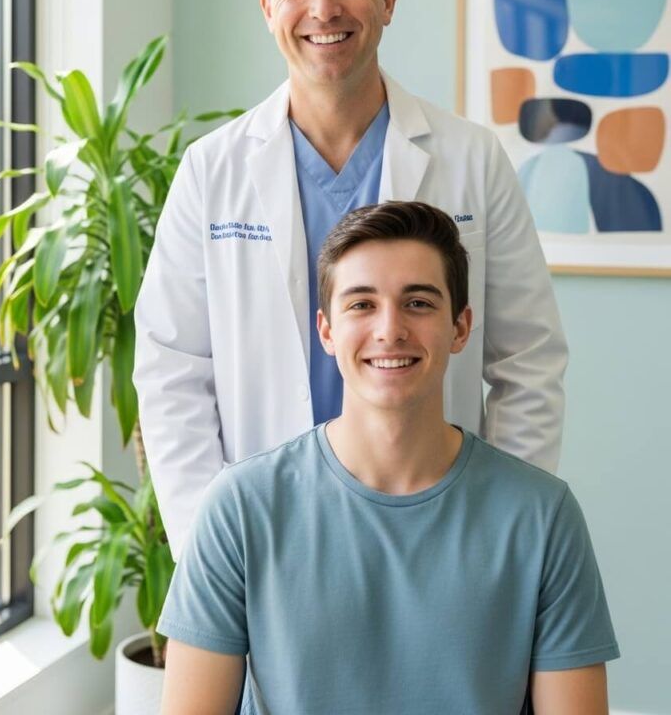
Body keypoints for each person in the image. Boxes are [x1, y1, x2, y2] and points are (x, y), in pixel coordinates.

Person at [134, 0, 568, 559]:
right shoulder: (211, 170)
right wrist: (207, 538)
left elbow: (527, 359)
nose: (322, 9)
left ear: (387, 0)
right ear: (267, 9)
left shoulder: (469, 158)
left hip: (443, 521)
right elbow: (171, 370)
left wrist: (503, 525)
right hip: (268, 529)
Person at [157, 202, 618, 715]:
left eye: (418, 303)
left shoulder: (543, 516)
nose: (390, 329)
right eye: (361, 304)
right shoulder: (240, 508)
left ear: (461, 327)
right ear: (326, 330)